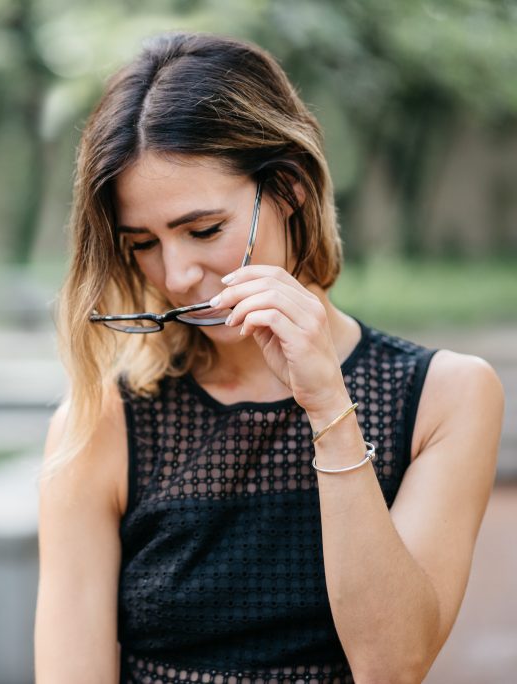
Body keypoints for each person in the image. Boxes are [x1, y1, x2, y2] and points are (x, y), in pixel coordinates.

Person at [33, 32, 504, 684]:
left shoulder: (444, 397)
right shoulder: (105, 420)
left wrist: (327, 405)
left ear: (289, 190)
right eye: (142, 243)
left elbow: (394, 665)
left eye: (204, 231)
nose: (176, 274)